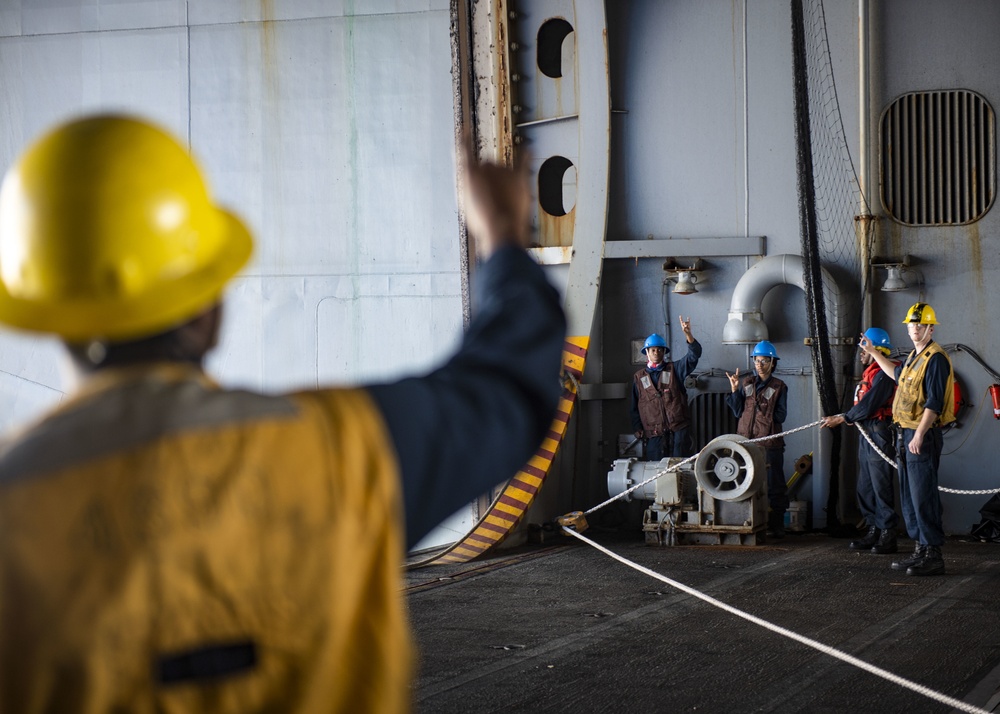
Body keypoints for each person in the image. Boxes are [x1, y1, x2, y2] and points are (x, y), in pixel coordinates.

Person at [0, 115, 566, 711]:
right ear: (206, 311)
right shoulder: (337, 449)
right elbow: (507, 390)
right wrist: (500, 234)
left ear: (47, 313)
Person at [859, 303, 955, 577]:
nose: (914, 330)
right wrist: (874, 351)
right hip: (906, 433)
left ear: (930, 328)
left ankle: (933, 554)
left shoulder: (935, 358)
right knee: (910, 497)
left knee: (923, 496)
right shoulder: (915, 356)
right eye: (911, 326)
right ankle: (920, 551)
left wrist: (921, 434)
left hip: (920, 435)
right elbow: (896, 374)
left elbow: (934, 402)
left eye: (919, 326)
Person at [821, 327, 900, 554]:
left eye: (864, 348)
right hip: (866, 432)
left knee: (880, 484)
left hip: (879, 432)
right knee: (865, 486)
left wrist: (843, 417)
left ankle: (887, 534)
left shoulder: (886, 373)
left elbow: (871, 404)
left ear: (876, 349)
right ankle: (873, 528)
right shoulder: (871, 373)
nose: (860, 353)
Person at [726, 340, 788, 537]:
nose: (759, 364)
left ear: (772, 362)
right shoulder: (747, 383)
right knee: (746, 482)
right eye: (756, 360)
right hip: (746, 443)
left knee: (774, 483)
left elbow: (781, 416)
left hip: (769, 444)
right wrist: (734, 389)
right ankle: (750, 522)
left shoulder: (779, 386)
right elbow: (738, 411)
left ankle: (777, 525)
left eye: (763, 360)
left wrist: (763, 409)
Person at [629, 317, 702, 459]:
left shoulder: (675, 370)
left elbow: (694, 355)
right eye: (653, 350)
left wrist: (688, 334)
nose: (656, 353)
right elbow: (634, 407)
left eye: (659, 350)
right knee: (656, 471)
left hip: (678, 433)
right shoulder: (639, 378)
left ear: (664, 352)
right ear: (647, 353)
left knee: (680, 469)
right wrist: (637, 428)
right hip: (654, 436)